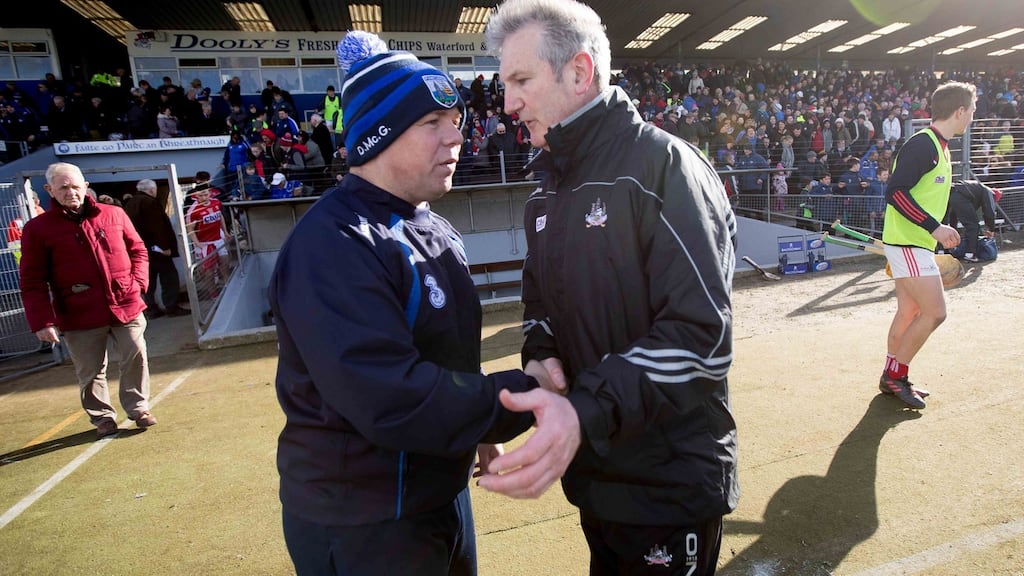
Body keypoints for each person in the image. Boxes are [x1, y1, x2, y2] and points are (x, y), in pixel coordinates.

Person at [479, 2, 739, 575]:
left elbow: (703, 340)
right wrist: (541, 355)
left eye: (521, 80)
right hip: (596, 479)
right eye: (505, 84)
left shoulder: (663, 166)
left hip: (668, 486)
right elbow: (540, 307)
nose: (508, 103)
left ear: (578, 72)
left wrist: (586, 410)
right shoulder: (547, 188)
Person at [269, 30, 539, 576]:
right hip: (365, 519)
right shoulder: (333, 244)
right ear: (379, 135)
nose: (456, 140)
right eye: (431, 125)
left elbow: (448, 356)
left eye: (458, 125)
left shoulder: (433, 228)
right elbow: (389, 397)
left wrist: (478, 429)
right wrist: (523, 396)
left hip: (437, 492)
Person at [19, 162, 157, 439]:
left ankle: (138, 407)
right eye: (64, 188)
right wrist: (43, 321)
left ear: (85, 185)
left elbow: (138, 250)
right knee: (91, 370)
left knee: (136, 355)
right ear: (50, 190)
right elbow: (32, 281)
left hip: (125, 303)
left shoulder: (114, 214)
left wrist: (139, 283)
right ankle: (103, 417)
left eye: (75, 186)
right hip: (77, 312)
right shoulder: (37, 229)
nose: (71, 192)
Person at [879, 81, 976, 410]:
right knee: (935, 313)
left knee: (910, 312)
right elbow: (895, 191)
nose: (973, 118)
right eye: (972, 111)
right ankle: (896, 376)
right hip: (909, 242)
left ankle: (890, 374)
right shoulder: (925, 145)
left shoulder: (940, 145)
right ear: (959, 111)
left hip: (911, 242)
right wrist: (935, 228)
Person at [123, 179, 186, 318]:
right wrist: (164, 247)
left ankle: (151, 308)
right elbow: (157, 227)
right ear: (152, 190)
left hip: (140, 249)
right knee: (169, 277)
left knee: (148, 281)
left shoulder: (130, 203)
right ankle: (171, 306)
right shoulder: (150, 203)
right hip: (156, 250)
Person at [185, 181, 230, 298]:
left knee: (224, 263)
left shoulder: (216, 202)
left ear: (210, 193)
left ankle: (228, 287)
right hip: (204, 243)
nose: (203, 198)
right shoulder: (193, 211)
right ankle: (213, 293)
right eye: (200, 196)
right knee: (208, 272)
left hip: (217, 238)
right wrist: (198, 244)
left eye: (205, 195)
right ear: (196, 196)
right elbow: (190, 229)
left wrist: (225, 232)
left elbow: (220, 217)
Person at [945, 180, 999, 263]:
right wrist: (991, 229)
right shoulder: (989, 192)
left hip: (949, 192)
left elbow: (955, 215)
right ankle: (970, 254)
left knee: (945, 224)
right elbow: (990, 212)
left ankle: (943, 251)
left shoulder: (976, 189)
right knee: (973, 226)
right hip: (959, 196)